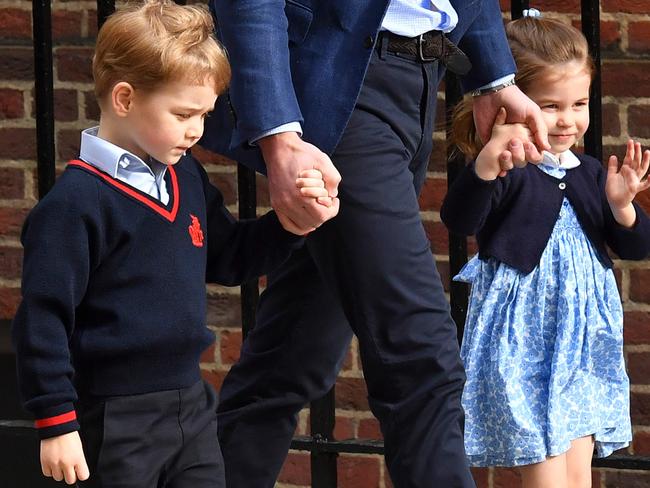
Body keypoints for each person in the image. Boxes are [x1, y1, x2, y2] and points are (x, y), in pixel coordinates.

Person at [199, 0, 550, 486]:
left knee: (293, 355)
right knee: (420, 356)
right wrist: (277, 132)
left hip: (419, 85)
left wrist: (494, 77)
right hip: (338, 90)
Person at [10, 1, 331, 486]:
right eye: (183, 113)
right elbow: (42, 320)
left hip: (192, 405)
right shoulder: (74, 205)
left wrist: (290, 223)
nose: (197, 130)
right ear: (124, 98)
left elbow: (228, 257)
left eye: (204, 114)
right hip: (113, 416)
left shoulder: (188, 178)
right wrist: (56, 421)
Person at [441, 12, 650, 488]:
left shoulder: (592, 172)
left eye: (579, 103)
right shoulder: (510, 166)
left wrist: (622, 206)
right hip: (524, 342)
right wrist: (488, 167)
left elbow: (636, 247)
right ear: (514, 103)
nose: (568, 119)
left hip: (581, 347)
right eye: (551, 105)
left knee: (578, 477)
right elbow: (459, 219)